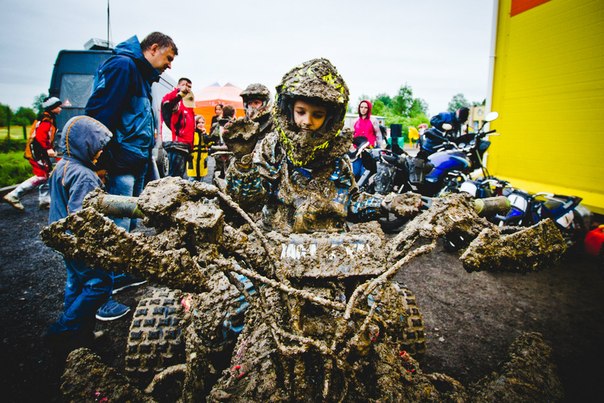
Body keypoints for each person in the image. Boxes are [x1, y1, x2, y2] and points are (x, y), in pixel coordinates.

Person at [223, 58, 385, 233]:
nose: (307, 121)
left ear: (329, 118)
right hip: (277, 241)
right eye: (301, 112)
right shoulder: (273, 148)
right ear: (288, 110)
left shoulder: (337, 158)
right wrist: (244, 162)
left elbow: (350, 203)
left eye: (317, 115)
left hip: (329, 246)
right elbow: (249, 202)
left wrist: (384, 204)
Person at [85, 31, 178, 320]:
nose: (169, 65)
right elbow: (100, 113)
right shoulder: (123, 67)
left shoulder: (139, 73)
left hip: (134, 160)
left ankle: (116, 277)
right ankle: (98, 299)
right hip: (120, 162)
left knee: (128, 223)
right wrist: (99, 159)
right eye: (168, 57)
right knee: (113, 227)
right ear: (153, 48)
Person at [43, 116, 114, 347]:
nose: (100, 153)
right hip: (78, 242)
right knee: (99, 284)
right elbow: (83, 217)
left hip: (61, 237)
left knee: (76, 283)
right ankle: (64, 328)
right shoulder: (84, 176)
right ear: (84, 144)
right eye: (96, 147)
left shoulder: (61, 167)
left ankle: (79, 337)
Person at [3, 97, 62, 211]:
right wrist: (47, 149)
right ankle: (14, 195)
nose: (60, 108)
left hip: (39, 151)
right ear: (52, 108)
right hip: (37, 152)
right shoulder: (46, 120)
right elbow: (40, 138)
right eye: (58, 106)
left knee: (47, 174)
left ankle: (45, 201)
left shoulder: (48, 118)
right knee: (42, 176)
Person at [161, 77, 196, 178]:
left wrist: (191, 147)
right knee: (175, 178)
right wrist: (179, 93)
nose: (187, 88)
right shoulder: (175, 101)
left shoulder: (188, 106)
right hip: (176, 144)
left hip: (184, 145)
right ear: (178, 86)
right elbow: (168, 103)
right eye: (184, 85)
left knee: (179, 177)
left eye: (189, 86)